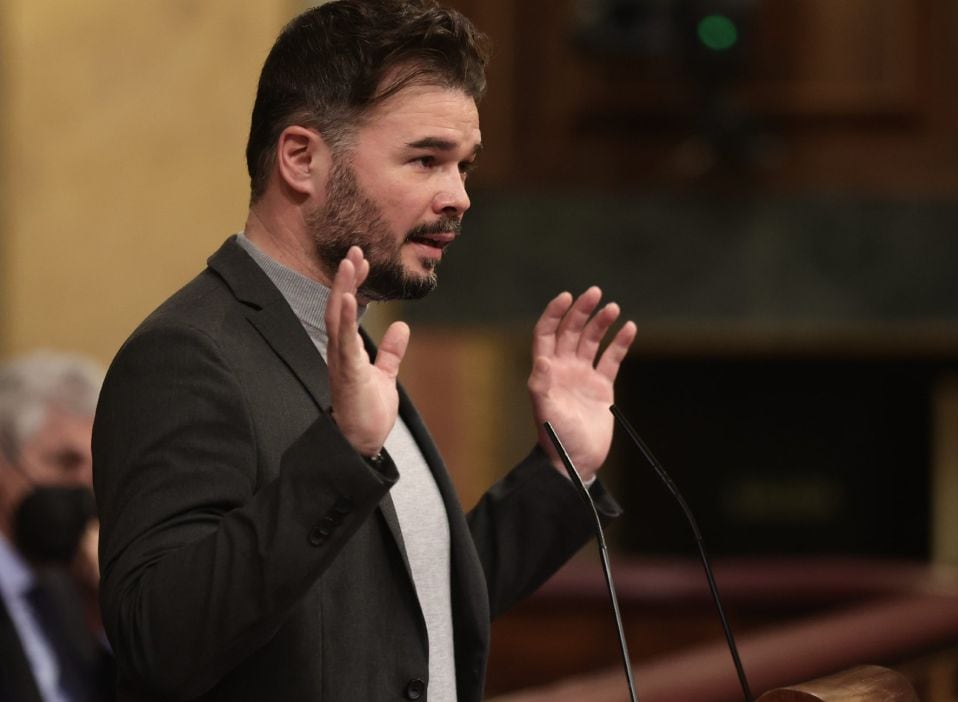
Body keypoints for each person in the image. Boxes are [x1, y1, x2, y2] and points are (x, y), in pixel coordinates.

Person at [93, 1, 638, 700]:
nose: (460, 196)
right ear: (301, 158)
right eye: (426, 160)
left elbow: (405, 607)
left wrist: (563, 473)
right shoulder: (187, 355)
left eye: (463, 166)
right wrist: (341, 453)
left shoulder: (347, 344)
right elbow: (157, 640)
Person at [0, 351, 113, 702]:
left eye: (93, 470)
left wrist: (110, 614)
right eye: (65, 462)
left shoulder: (72, 589)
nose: (84, 489)